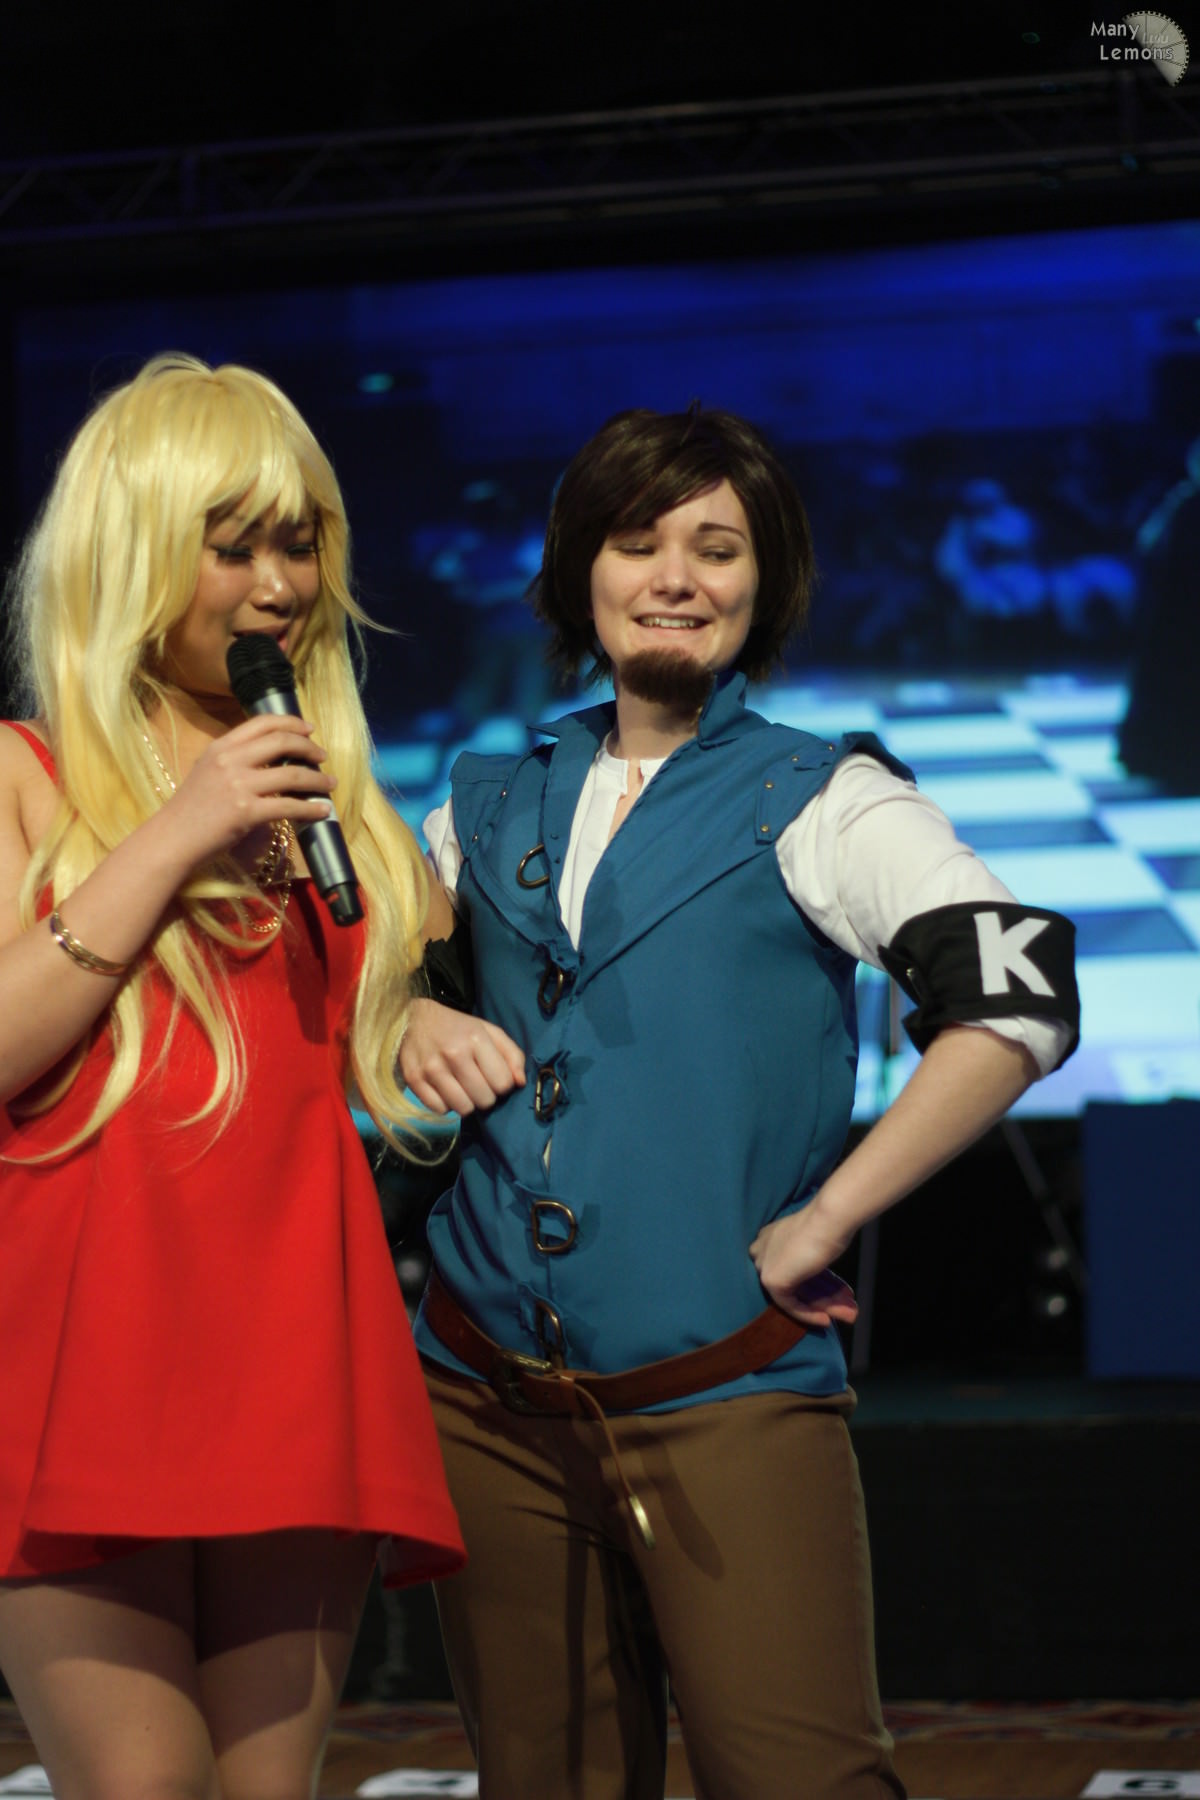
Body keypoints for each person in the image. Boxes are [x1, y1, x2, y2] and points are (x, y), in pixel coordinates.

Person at [400, 407, 1080, 1800]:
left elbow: (1021, 1002)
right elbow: (371, 1016)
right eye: (636, 541)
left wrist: (831, 1215)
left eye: (716, 549)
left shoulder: (827, 799)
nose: (674, 577)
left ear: (765, 584)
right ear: (578, 570)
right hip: (479, 1404)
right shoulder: (480, 802)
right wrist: (405, 1015)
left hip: (725, 1394)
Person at [0, 354, 465, 1800]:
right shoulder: (22, 774)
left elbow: (369, 1035)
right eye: (233, 547)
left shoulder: (340, 802)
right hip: (79, 1349)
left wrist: (414, 1024)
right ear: (136, 550)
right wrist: (175, 831)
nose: (279, 587)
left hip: (295, 1337)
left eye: (300, 544)